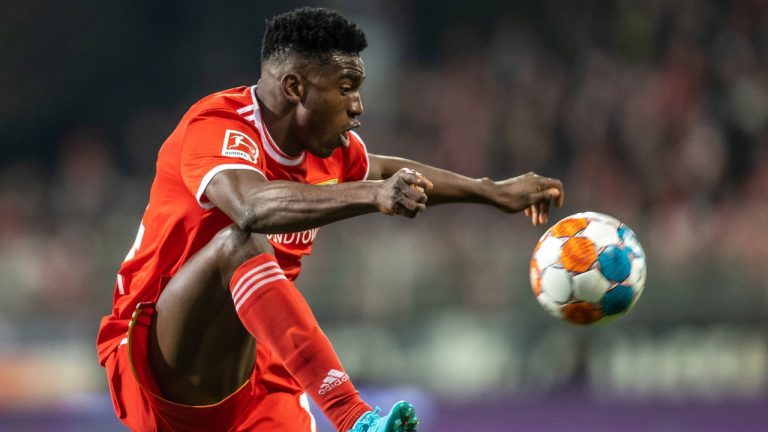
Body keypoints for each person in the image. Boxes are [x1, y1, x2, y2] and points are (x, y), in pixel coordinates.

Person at [96, 6, 564, 432]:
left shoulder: (331, 153)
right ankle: (352, 416)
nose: (358, 107)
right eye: (346, 88)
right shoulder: (218, 125)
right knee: (240, 241)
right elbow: (252, 208)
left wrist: (492, 191)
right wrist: (373, 194)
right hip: (155, 359)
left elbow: (387, 169)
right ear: (295, 87)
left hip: (258, 375)